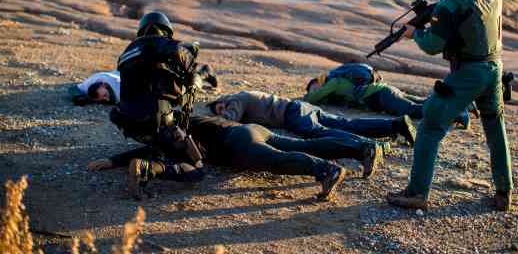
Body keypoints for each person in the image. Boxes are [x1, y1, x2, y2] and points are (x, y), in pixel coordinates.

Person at [386, 0, 513, 211]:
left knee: (430, 126)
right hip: (495, 67)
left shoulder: (450, 3)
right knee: (495, 128)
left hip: (468, 72)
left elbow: (433, 45)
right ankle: (504, 193)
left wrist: (415, 34)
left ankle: (416, 193)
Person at [88, 115, 370, 201]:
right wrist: (115, 160)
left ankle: (325, 171)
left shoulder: (171, 129)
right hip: (250, 130)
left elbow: (153, 152)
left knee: (275, 162)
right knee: (308, 143)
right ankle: (361, 149)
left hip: (236, 142)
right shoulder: (184, 115)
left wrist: (115, 160)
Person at [102, 11, 206, 198]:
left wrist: (113, 161)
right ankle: (148, 169)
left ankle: (139, 161)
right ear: (165, 31)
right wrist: (192, 72)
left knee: (159, 148)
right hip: (154, 120)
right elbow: (180, 53)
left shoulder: (126, 53)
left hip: (129, 124)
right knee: (197, 169)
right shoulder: (157, 42)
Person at [207, 89, 416, 147]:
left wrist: (218, 117)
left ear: (222, 100)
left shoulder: (235, 99)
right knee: (347, 122)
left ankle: (365, 145)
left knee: (316, 133)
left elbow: (229, 121)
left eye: (219, 107)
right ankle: (395, 125)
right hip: (300, 106)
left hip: (291, 114)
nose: (221, 111)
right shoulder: (244, 95)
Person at [304, 62, 471, 129]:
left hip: (382, 96)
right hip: (384, 90)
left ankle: (458, 113)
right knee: (421, 102)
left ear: (319, 82)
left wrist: (304, 98)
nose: (314, 90)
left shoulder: (334, 82)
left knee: (415, 111)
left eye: (314, 87)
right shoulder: (338, 84)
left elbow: (313, 98)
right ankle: (463, 104)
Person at [69, 65, 218, 106]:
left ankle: (204, 73)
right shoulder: (92, 82)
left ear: (104, 84)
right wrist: (81, 97)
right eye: (103, 99)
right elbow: (73, 89)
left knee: (186, 90)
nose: (106, 99)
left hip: (149, 81)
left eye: (106, 94)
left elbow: (117, 100)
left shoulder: (116, 87)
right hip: (137, 75)